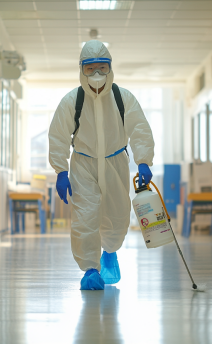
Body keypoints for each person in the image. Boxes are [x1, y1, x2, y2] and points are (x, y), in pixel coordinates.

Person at [48, 40, 154, 290]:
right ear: (81, 70)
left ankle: (110, 252)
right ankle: (90, 270)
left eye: (102, 68)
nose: (96, 75)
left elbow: (140, 129)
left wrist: (143, 161)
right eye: (90, 69)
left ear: (110, 69)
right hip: (83, 165)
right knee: (86, 216)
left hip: (116, 162)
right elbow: (58, 135)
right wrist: (61, 170)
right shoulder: (72, 101)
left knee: (117, 218)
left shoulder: (122, 97)